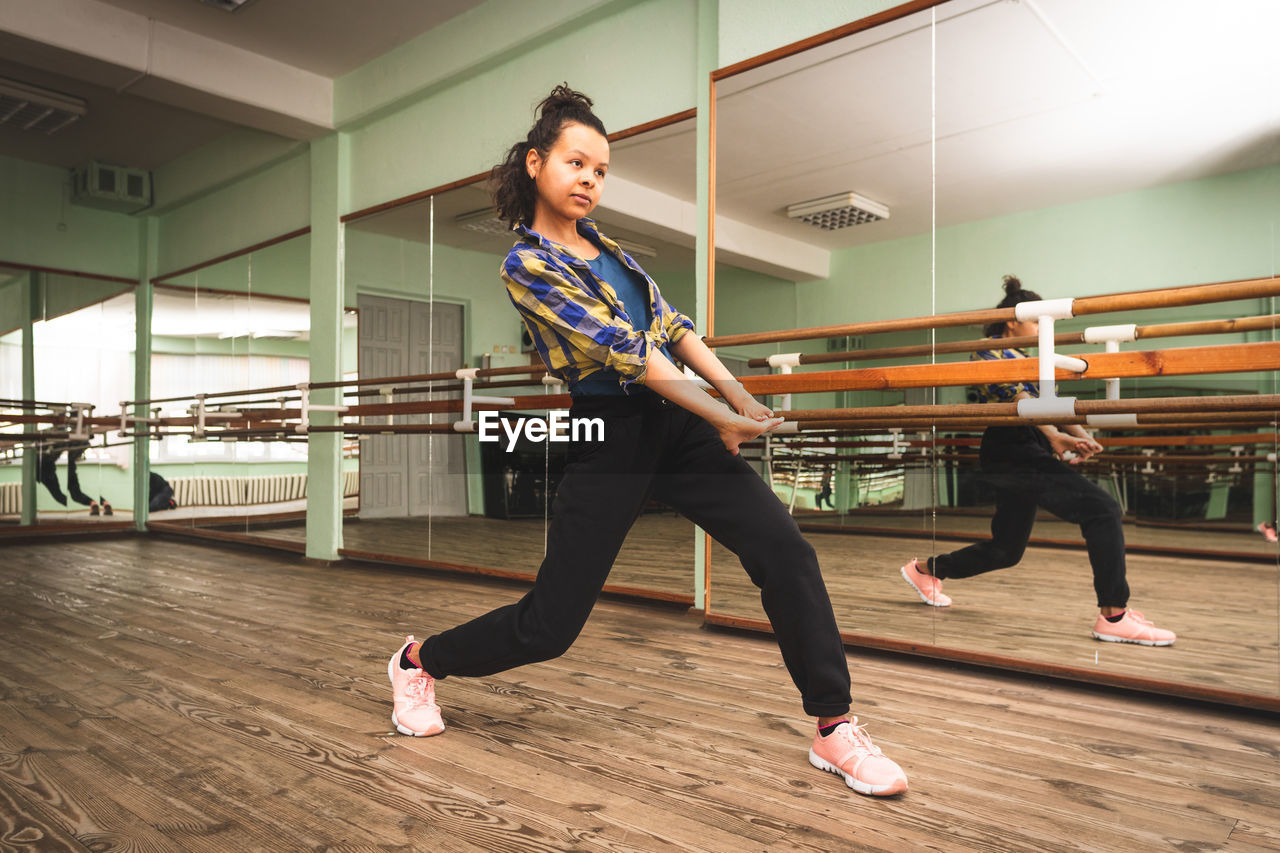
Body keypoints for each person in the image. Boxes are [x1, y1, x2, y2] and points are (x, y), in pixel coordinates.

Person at [386, 85, 909, 797]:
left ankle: (833, 726)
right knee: (550, 626)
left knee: (785, 550)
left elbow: (674, 328)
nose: (590, 181)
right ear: (537, 163)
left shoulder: (614, 253)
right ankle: (419, 660)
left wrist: (738, 397)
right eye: (576, 163)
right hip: (612, 436)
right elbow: (629, 353)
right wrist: (718, 414)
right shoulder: (528, 266)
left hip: (678, 426)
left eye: (600, 170)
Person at [899, 276, 1175, 646]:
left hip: (1029, 444)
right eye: (1037, 322)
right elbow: (1018, 402)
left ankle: (926, 570)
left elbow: (1050, 407)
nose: (1045, 330)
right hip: (1010, 446)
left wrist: (1079, 436)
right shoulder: (988, 350)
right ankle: (1114, 614)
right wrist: (1053, 436)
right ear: (1014, 320)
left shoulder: (1034, 356)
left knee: (1006, 550)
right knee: (1103, 509)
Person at [37, 440, 111, 516]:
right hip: (46, 465)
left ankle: (95, 503)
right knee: (71, 494)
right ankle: (99, 503)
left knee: (63, 495)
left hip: (45, 467)